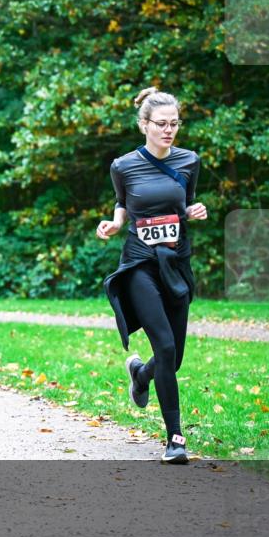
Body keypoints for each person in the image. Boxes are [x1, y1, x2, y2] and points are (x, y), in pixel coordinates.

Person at [97, 87, 208, 465]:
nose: (169, 130)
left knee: (171, 360)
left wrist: (194, 210)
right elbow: (122, 204)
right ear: (144, 124)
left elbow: (185, 202)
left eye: (174, 124)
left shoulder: (189, 161)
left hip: (175, 263)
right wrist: (114, 225)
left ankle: (141, 376)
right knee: (163, 346)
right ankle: (175, 439)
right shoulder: (123, 165)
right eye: (161, 124)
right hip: (140, 264)